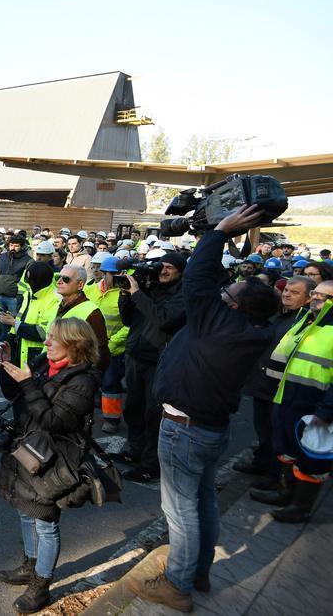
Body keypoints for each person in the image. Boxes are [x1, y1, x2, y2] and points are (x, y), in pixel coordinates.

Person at [130, 206, 281, 612]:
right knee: (203, 501)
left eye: (228, 295)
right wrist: (228, 240)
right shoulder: (254, 327)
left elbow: (198, 277)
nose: (222, 292)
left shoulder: (214, 322)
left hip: (184, 428)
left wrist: (218, 232)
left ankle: (177, 585)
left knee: (179, 511)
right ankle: (197, 570)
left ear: (231, 307)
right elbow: (216, 281)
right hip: (211, 429)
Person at [0, 318, 102, 614]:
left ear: (75, 344)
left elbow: (56, 421)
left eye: (54, 339)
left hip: (54, 462)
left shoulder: (82, 380)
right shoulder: (47, 365)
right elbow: (16, 396)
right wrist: (9, 367)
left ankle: (41, 586)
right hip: (31, 452)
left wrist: (29, 384)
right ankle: (30, 565)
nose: (46, 343)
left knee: (45, 523)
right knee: (25, 510)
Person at [249, 280, 332, 523]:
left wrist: (326, 410)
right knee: (288, 451)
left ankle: (300, 507)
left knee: (312, 461)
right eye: (316, 294)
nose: (317, 299)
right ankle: (285, 493)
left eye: (325, 297)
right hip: (289, 398)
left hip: (317, 407)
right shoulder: (307, 321)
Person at [115, 252, 187, 483]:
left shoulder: (182, 294)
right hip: (136, 355)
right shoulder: (149, 287)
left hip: (161, 361)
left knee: (153, 413)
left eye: (169, 268)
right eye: (160, 267)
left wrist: (138, 294)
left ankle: (150, 464)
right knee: (133, 408)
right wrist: (127, 294)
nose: (163, 271)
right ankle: (132, 450)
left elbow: (164, 319)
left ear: (180, 271)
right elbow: (128, 319)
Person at [237, 277, 313, 488]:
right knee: (263, 429)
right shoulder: (278, 315)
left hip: (281, 390)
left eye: (294, 292)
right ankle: (262, 463)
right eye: (286, 290)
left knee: (277, 434)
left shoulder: (304, 322)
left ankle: (275, 476)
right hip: (262, 384)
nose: (287, 294)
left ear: (308, 298)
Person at [87, 256, 130, 433]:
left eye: (116, 273)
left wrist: (112, 344)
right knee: (89, 380)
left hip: (114, 349)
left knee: (110, 383)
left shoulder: (127, 293)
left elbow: (130, 325)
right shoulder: (91, 290)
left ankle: (111, 420)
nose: (113, 276)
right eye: (109, 273)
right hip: (91, 348)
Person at [0, 261, 57, 370]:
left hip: (35, 356)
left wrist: (14, 322)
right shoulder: (29, 293)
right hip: (18, 350)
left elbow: (44, 333)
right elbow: (22, 318)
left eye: (30, 280)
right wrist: (8, 341)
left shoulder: (55, 299)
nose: (28, 283)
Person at [52, 265, 110, 371]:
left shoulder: (93, 313)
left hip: (75, 375)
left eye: (66, 279)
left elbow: (100, 351)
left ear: (80, 285)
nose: (59, 281)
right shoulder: (56, 305)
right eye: (58, 277)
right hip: (53, 368)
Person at [0, 235, 32, 314]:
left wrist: (19, 296)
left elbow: (28, 280)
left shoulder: (28, 260)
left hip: (14, 298)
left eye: (16, 246)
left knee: (13, 321)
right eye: (11, 245)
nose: (13, 248)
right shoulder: (2, 257)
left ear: (22, 247)